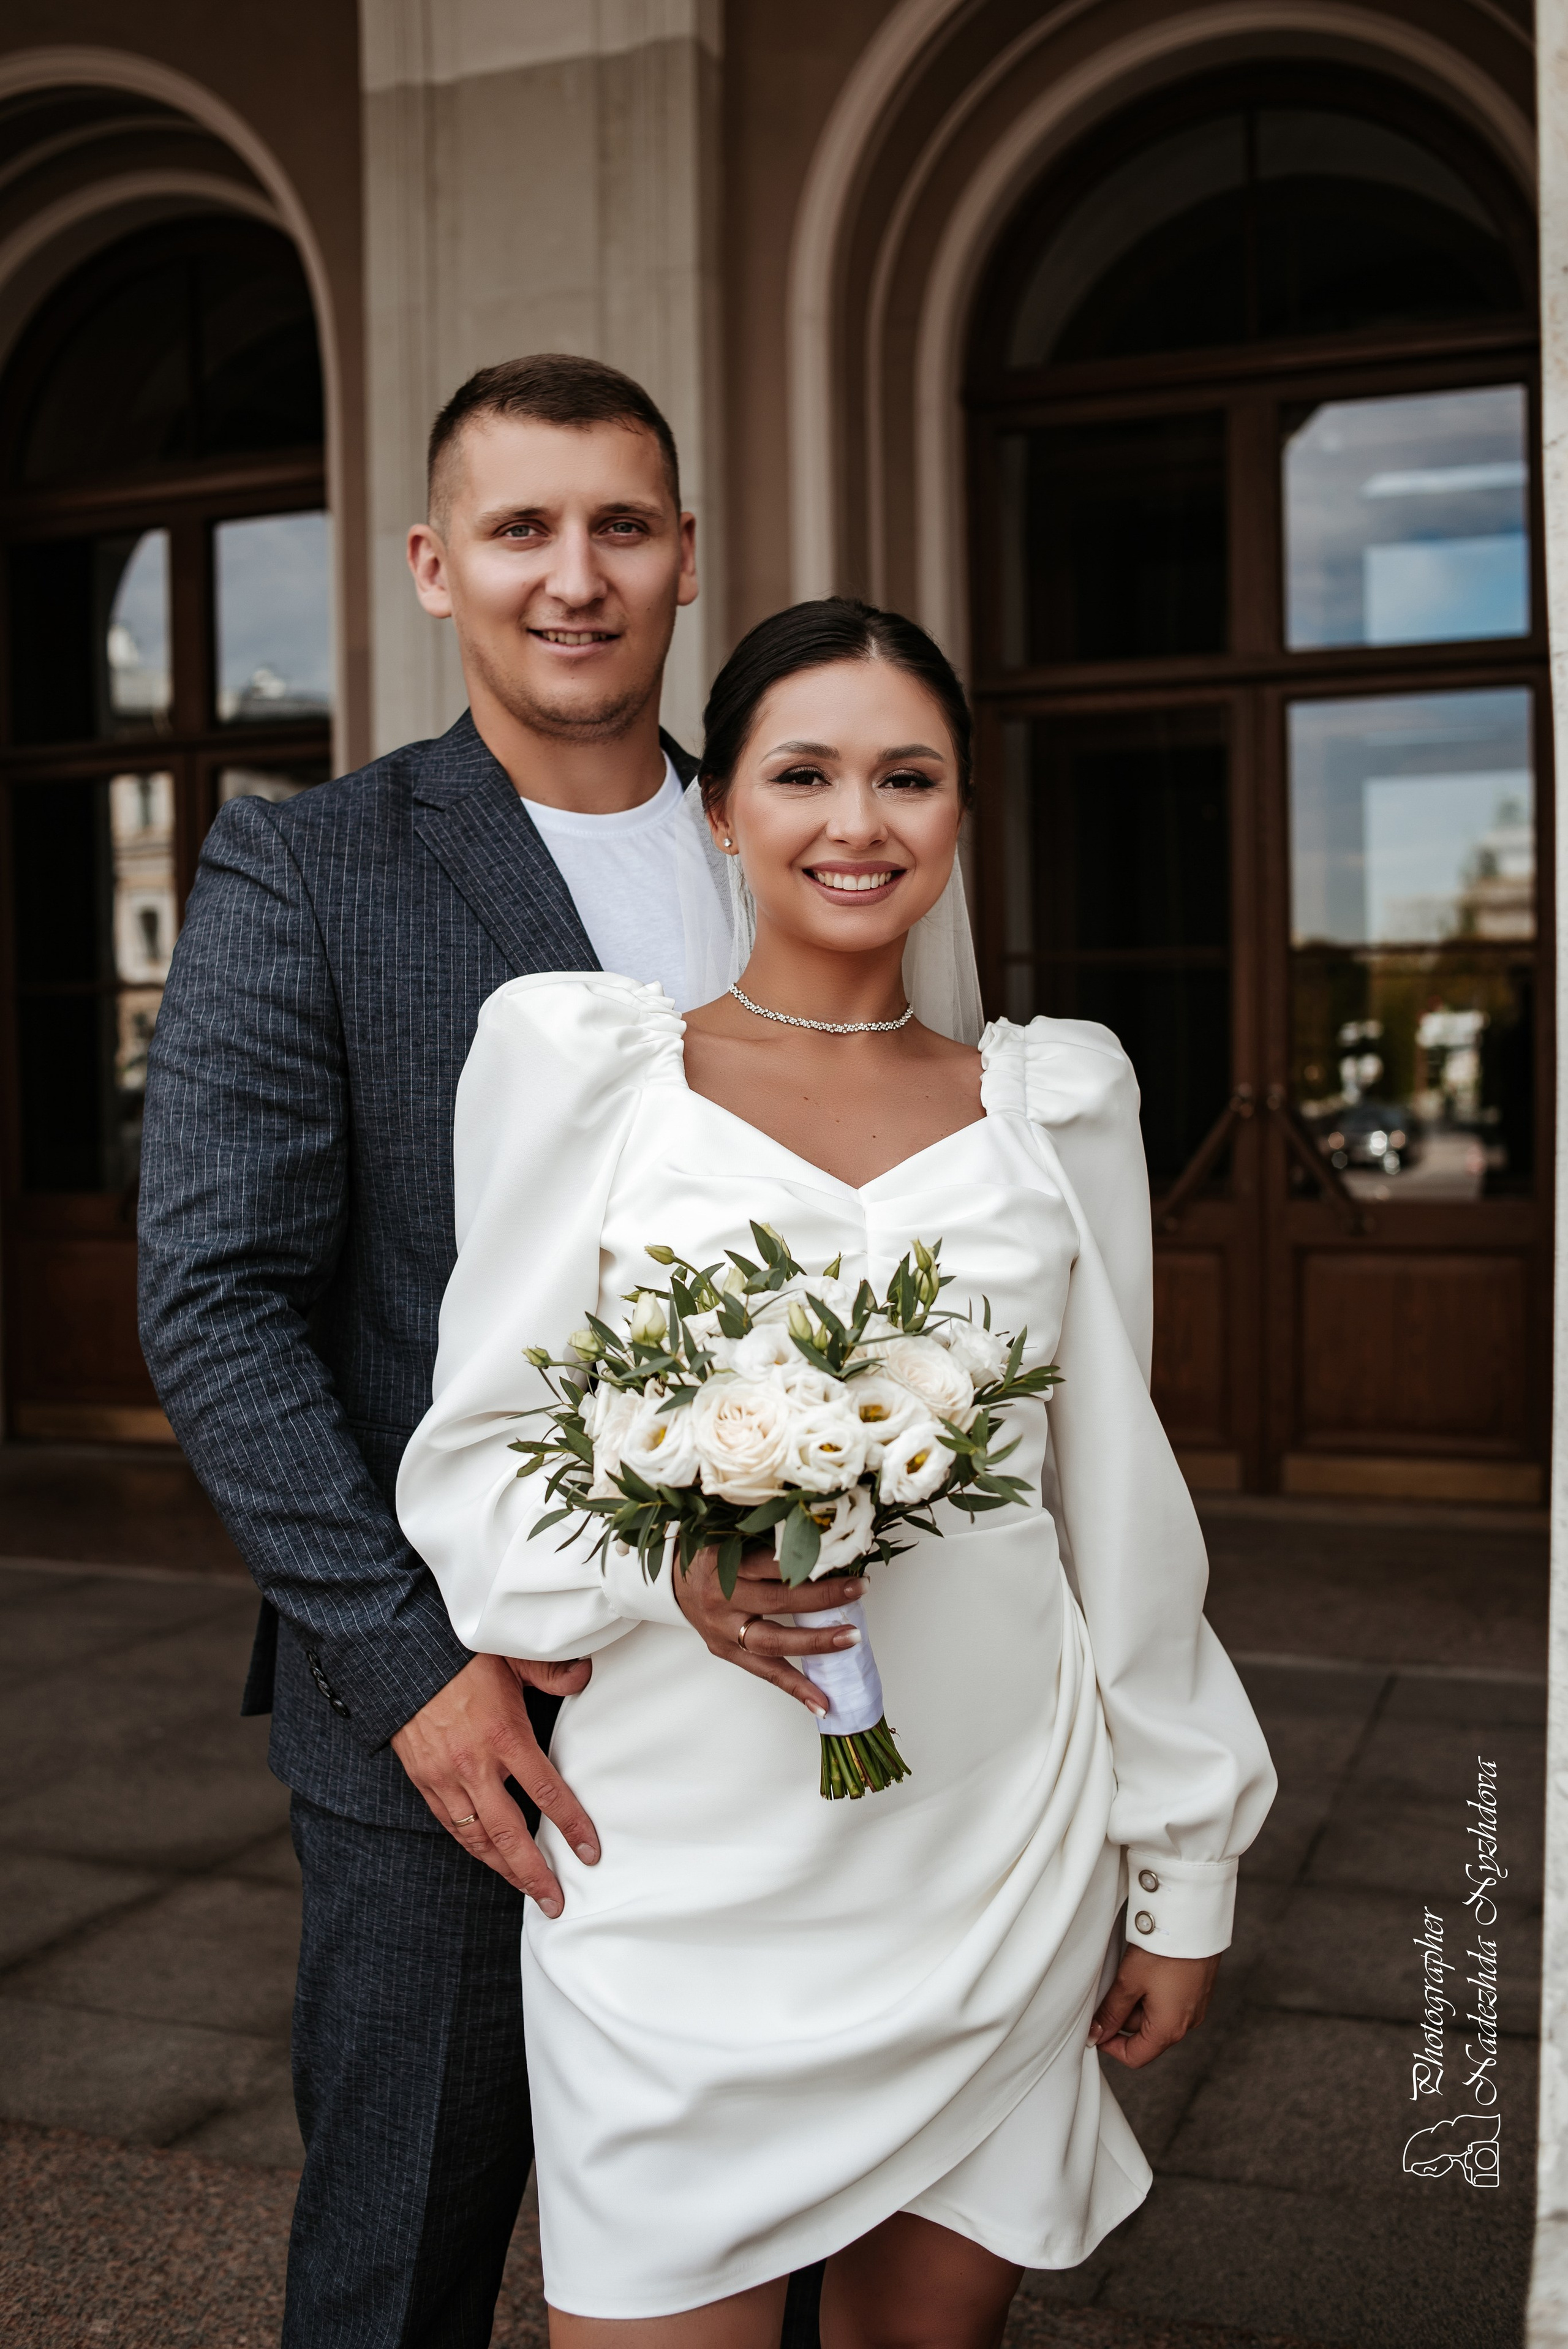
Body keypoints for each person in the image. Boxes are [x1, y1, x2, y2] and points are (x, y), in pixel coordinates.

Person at [397, 598, 1278, 2345]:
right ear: (719, 807)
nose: (856, 821)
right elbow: (481, 1467)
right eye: (803, 773)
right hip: (685, 1878)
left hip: (989, 1853)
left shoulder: (1055, 1107)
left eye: (909, 777)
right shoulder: (589, 1078)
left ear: (964, 811)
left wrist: (1184, 1869)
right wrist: (674, 1566)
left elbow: (1119, 1520)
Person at [137, 355, 848, 2348]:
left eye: (621, 524)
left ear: (688, 559)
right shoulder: (316, 865)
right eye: (524, 529)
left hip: (769, 1699)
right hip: (461, 1715)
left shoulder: (792, 838)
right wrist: (412, 1673)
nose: (576, 574)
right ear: (439, 565)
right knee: (402, 2258)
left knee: (765, 2233)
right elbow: (214, 1295)